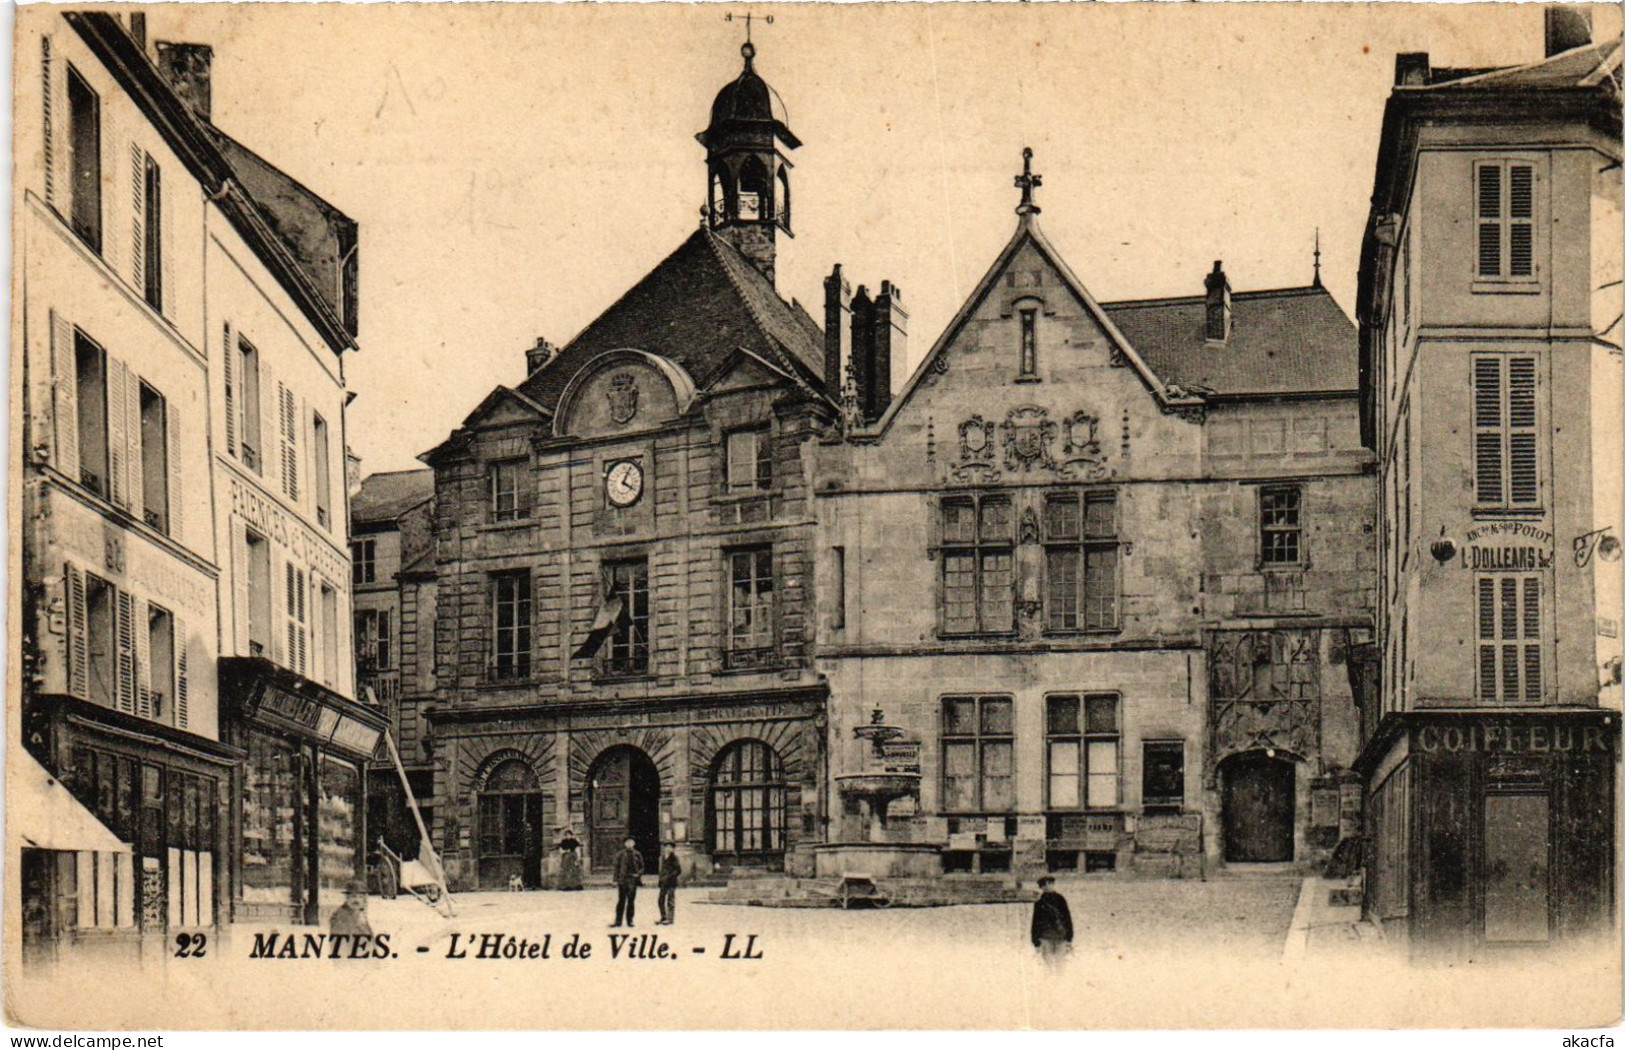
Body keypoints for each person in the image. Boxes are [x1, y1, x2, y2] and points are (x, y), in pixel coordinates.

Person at [1030, 875, 1073, 970]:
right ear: (1041, 887)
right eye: (1044, 884)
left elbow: (1067, 918)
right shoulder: (1040, 902)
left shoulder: (1059, 899)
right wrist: (1035, 940)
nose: (1048, 886)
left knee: (1058, 965)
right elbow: (1036, 921)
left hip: (1059, 936)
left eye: (1049, 883)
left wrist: (1069, 937)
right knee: (1049, 965)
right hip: (1047, 936)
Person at [611, 837, 645, 927]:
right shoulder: (620, 854)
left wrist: (638, 874)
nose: (629, 844)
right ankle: (618, 922)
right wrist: (615, 880)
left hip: (633, 880)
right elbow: (616, 868)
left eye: (631, 842)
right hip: (623, 880)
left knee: (631, 901)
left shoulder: (637, 854)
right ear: (625, 844)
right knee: (621, 901)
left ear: (634, 843)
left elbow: (642, 867)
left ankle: (630, 921)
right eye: (627, 842)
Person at [656, 843, 681, 925]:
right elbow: (662, 870)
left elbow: (678, 870)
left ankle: (670, 919)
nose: (668, 849)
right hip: (663, 882)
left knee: (670, 901)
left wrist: (669, 877)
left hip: (671, 883)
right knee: (660, 900)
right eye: (667, 847)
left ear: (673, 849)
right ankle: (663, 917)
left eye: (670, 847)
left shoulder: (674, 858)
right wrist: (660, 880)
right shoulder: (663, 857)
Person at [555, 827, 583, 891]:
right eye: (566, 835)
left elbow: (577, 849)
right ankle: (567, 886)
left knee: (574, 871)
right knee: (566, 871)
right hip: (566, 857)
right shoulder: (563, 842)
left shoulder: (574, 841)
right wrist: (565, 851)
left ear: (571, 835)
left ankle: (576, 885)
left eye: (569, 835)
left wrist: (578, 858)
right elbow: (561, 850)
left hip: (573, 857)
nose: (568, 836)